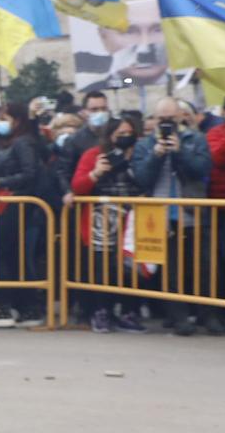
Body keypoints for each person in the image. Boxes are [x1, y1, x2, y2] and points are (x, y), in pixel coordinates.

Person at [132, 97, 212, 334]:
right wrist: (156, 155)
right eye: (162, 119)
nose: (166, 123)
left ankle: (207, 315)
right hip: (161, 215)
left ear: (180, 117)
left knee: (203, 268)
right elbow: (141, 178)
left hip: (192, 212)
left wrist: (180, 152)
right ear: (155, 120)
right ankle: (179, 318)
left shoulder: (195, 139)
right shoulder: (145, 144)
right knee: (172, 271)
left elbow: (202, 169)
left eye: (171, 119)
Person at [71, 115, 149, 333]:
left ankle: (128, 311)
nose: (125, 138)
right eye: (120, 135)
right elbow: (78, 186)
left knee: (132, 267)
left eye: (129, 134)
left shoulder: (141, 154)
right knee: (102, 268)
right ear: (109, 136)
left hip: (133, 219)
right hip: (102, 221)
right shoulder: (94, 155)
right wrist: (96, 172)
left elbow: (148, 180)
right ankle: (102, 311)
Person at [0, 101, 49, 329]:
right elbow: (5, 167)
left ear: (17, 121)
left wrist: (0, 182)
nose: (0, 123)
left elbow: (29, 173)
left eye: (4, 119)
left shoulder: (24, 141)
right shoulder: (4, 142)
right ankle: (24, 306)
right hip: (6, 203)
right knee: (11, 256)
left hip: (18, 202)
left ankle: (6, 306)